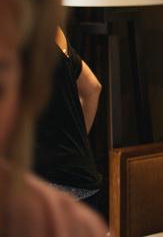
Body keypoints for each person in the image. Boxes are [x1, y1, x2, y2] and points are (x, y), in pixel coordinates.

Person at [0, 0, 108, 235]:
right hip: (81, 174)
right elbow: (92, 87)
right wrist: (72, 148)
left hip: (56, 182)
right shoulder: (55, 34)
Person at [33, 27, 103, 210]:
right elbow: (93, 88)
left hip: (48, 182)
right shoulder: (54, 31)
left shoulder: (16, 35)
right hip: (83, 178)